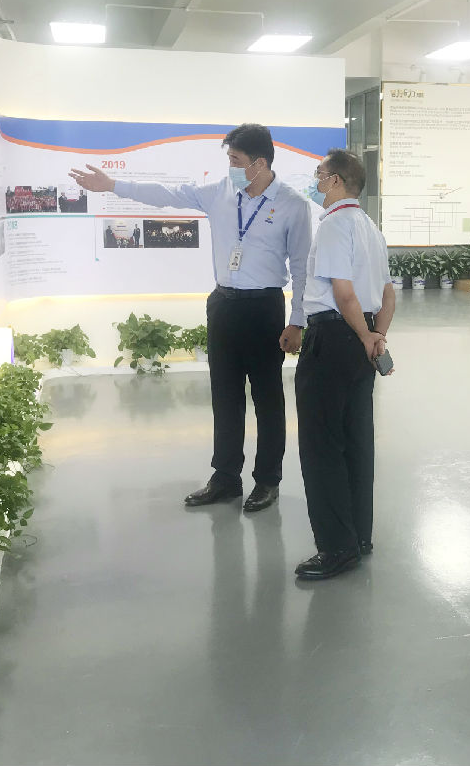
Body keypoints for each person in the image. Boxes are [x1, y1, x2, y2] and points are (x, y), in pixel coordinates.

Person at [69, 124, 312, 513]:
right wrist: (112, 185)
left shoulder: (292, 204)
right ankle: (226, 477)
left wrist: (297, 321)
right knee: (225, 396)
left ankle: (268, 480)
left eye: (236, 160)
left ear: (259, 163)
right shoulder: (220, 192)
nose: (230, 167)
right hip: (223, 305)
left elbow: (301, 268)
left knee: (268, 399)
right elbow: (167, 195)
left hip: (265, 309)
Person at [293, 149, 396, 580]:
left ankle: (336, 548)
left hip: (333, 338)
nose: (315, 181)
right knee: (356, 441)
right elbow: (387, 294)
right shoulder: (370, 227)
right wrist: (375, 336)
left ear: (335, 180)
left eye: (319, 174)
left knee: (322, 446)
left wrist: (364, 335)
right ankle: (358, 536)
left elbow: (343, 292)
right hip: (361, 338)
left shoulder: (335, 224)